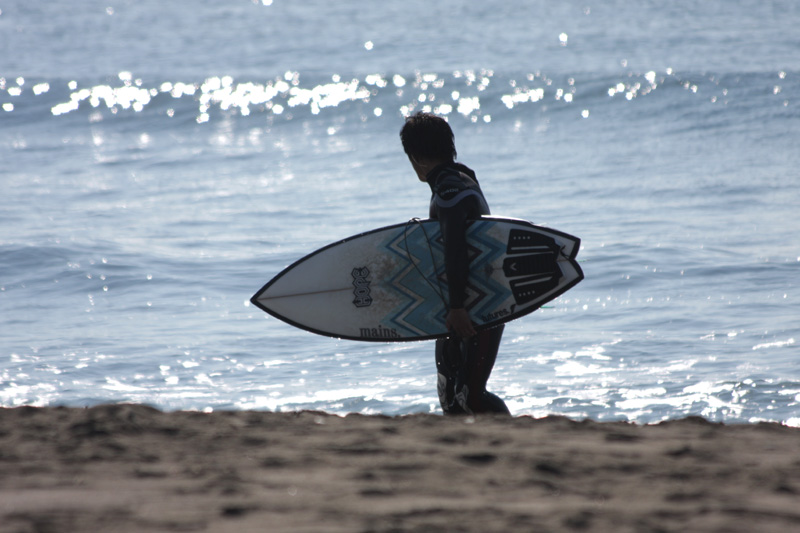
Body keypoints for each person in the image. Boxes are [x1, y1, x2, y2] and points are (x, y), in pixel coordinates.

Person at [399, 112, 510, 415]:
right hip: (458, 301)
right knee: (450, 394)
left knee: (469, 396)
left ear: (415, 157)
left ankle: (516, 437)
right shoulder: (459, 178)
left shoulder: (449, 191)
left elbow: (456, 246)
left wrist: (458, 307)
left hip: (479, 305)